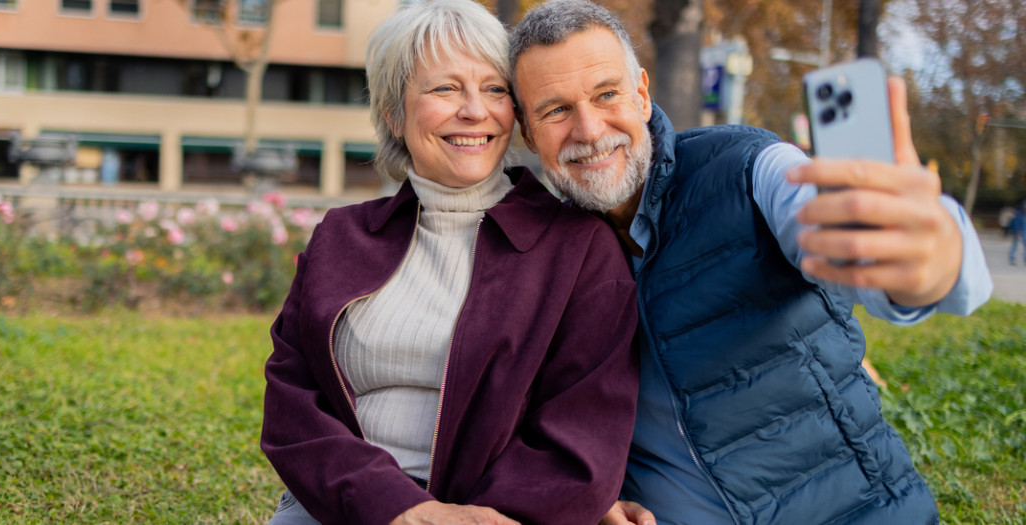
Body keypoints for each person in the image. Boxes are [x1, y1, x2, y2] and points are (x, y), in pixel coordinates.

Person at [506, 1, 993, 524]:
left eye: (607, 94)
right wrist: (592, 494)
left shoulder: (745, 169)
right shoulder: (542, 253)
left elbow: (829, 224)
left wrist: (934, 254)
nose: (588, 128)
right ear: (530, 135)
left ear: (643, 94)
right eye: (555, 110)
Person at [261, 1, 640, 524]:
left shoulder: (576, 248)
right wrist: (400, 510)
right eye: (444, 89)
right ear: (394, 112)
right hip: (341, 507)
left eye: (494, 89)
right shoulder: (342, 236)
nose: (474, 111)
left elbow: (583, 425)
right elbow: (292, 407)